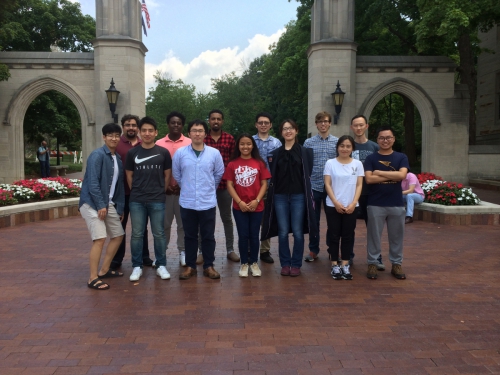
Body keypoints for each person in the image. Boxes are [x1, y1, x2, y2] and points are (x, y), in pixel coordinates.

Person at [261, 119, 318, 277]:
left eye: (291, 128)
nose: (288, 131)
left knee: (298, 232)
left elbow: (308, 172)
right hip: (279, 196)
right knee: (283, 231)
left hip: (299, 195)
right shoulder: (275, 154)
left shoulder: (305, 152)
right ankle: (285, 263)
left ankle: (296, 264)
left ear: (296, 130)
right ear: (281, 132)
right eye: (285, 128)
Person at [173, 119, 225, 280]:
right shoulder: (180, 153)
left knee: (208, 236)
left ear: (205, 133)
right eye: (194, 130)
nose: (197, 133)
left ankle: (209, 265)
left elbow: (218, 174)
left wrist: (208, 188)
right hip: (187, 202)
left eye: (200, 130)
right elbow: (177, 175)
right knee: (190, 236)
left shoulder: (214, 154)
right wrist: (188, 187)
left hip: (207, 202)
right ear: (189, 133)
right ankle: (190, 266)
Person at [125, 116, 172, 282]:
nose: (147, 133)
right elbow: (129, 175)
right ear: (139, 132)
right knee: (137, 234)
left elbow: (167, 175)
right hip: (137, 200)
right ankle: (136, 266)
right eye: (143, 130)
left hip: (157, 200)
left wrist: (160, 191)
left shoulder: (163, 152)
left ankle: (161, 264)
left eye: (150, 130)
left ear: (156, 132)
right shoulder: (133, 153)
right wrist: (137, 191)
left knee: (159, 233)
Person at [79, 123, 125, 290]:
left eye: (116, 135)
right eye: (110, 135)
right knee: (99, 238)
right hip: (92, 203)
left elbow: (118, 186)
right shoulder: (97, 155)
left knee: (118, 235)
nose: (113, 138)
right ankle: (92, 277)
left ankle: (104, 270)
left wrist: (119, 208)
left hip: (108, 203)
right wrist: (100, 205)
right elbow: (92, 183)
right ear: (104, 137)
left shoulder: (117, 158)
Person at [364, 126, 409, 280]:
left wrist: (380, 172)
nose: (385, 140)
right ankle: (372, 262)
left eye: (388, 137)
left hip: (396, 203)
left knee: (396, 236)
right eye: (382, 138)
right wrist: (393, 176)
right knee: (374, 236)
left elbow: (402, 175)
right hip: (375, 203)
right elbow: (369, 179)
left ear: (393, 139)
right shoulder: (371, 158)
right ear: (377, 140)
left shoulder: (401, 157)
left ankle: (396, 263)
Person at [224, 134, 271, 277]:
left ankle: (254, 263)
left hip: (257, 206)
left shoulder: (259, 163)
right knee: (243, 235)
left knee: (254, 235)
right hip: (240, 207)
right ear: (238, 146)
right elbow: (229, 185)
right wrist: (239, 201)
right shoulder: (233, 164)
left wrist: (257, 200)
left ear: (253, 146)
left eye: (248, 144)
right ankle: (244, 263)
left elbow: (264, 184)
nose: (245, 147)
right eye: (242, 144)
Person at [110, 114, 152, 271]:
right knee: (119, 227)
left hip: (140, 194)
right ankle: (116, 258)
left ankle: (144, 256)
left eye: (134, 125)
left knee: (141, 227)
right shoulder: (116, 144)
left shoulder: (144, 144)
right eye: (128, 125)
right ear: (123, 127)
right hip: (120, 194)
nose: (131, 128)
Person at [323, 135, 364, 280]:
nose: (345, 149)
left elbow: (359, 185)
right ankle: (335, 264)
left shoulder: (357, 164)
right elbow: (327, 184)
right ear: (337, 147)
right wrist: (335, 202)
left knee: (348, 236)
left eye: (348, 146)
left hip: (351, 206)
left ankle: (345, 264)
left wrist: (353, 203)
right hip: (333, 205)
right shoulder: (330, 163)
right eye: (342, 146)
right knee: (334, 235)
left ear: (352, 148)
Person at [203, 109, 240, 262]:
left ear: (222, 121)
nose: (216, 121)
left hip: (225, 186)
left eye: (218, 119)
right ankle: (201, 251)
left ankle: (230, 249)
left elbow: (233, 163)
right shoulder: (203, 139)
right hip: (206, 186)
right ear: (209, 121)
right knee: (204, 220)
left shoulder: (230, 139)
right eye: (213, 119)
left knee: (226, 218)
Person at [156, 111, 192, 266]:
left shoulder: (190, 143)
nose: (176, 125)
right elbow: (156, 169)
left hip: (184, 192)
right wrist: (165, 187)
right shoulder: (158, 144)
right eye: (173, 122)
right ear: (168, 124)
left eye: (179, 123)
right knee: (164, 225)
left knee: (183, 224)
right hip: (164, 192)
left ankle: (183, 252)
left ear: (182, 125)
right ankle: (161, 254)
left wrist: (181, 185)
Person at [350, 115, 385, 270]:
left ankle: (376, 258)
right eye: (355, 125)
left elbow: (383, 170)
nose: (358, 128)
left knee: (373, 228)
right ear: (352, 127)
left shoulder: (374, 147)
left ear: (366, 126)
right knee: (349, 228)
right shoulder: (348, 146)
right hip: (351, 194)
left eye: (361, 125)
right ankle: (347, 256)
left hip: (371, 194)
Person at [303, 111, 338, 262]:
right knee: (313, 220)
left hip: (333, 187)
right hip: (314, 186)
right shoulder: (308, 143)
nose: (323, 124)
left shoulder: (337, 142)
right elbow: (304, 165)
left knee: (333, 221)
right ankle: (313, 249)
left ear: (330, 123)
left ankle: (332, 249)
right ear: (316, 124)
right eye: (320, 121)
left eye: (325, 121)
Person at [252, 112, 282, 263]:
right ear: (256, 124)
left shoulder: (277, 143)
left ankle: (265, 250)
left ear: (270, 125)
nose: (263, 125)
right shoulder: (250, 141)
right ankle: (251, 249)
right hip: (251, 185)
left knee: (267, 219)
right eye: (260, 122)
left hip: (270, 186)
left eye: (266, 122)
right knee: (252, 218)